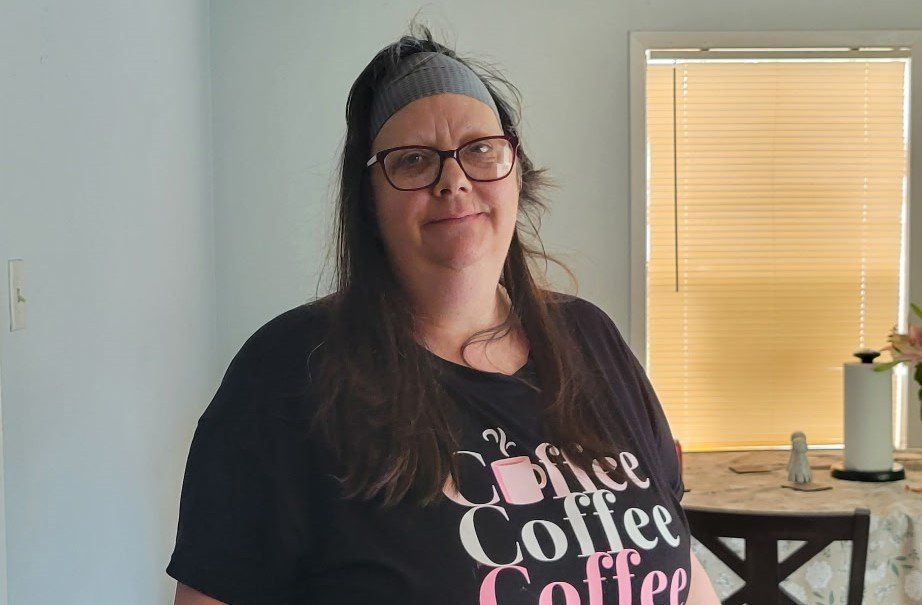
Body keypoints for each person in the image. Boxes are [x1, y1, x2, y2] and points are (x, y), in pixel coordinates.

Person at [168, 26, 720, 605]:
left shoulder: (591, 338)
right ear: (369, 198)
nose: (453, 180)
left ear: (517, 172)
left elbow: (681, 568)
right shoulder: (290, 371)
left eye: (481, 150)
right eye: (412, 160)